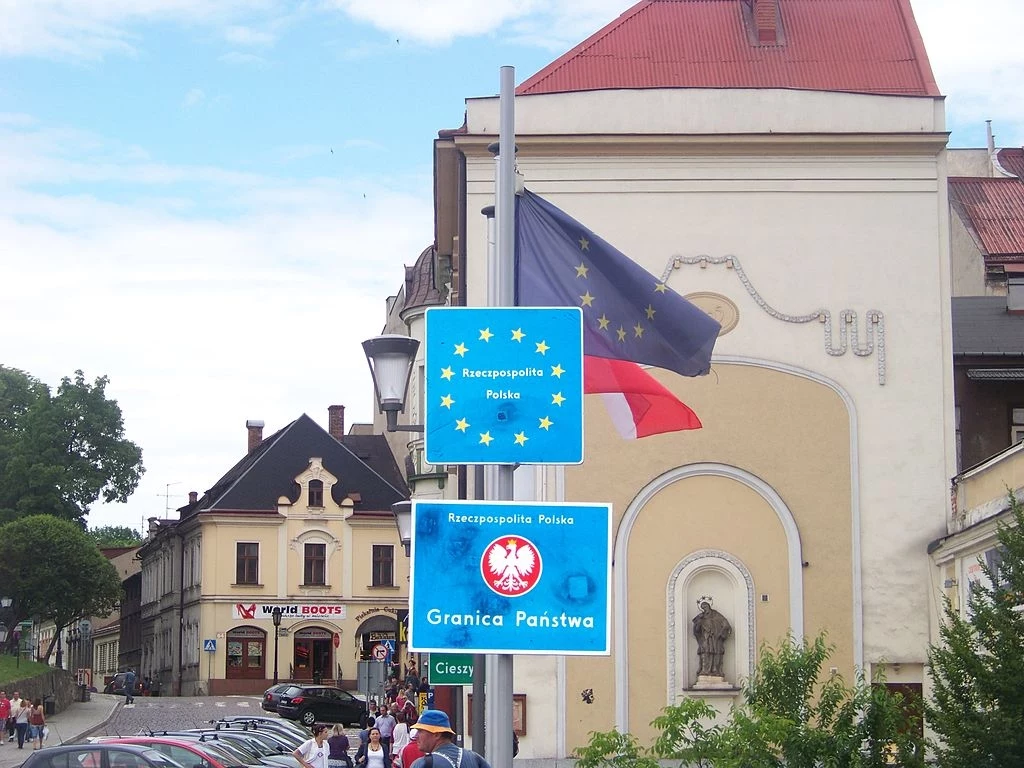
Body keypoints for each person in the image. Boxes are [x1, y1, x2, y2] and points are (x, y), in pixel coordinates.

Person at [408, 709, 490, 768]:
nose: (416, 736)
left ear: (437, 734)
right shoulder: (474, 758)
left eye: (420, 731)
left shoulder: (423, 764)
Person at [692, 600, 732, 678]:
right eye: (703, 607)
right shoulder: (701, 617)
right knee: (705, 652)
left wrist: (722, 631)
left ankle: (716, 670)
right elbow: (697, 630)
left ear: (709, 606)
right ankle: (705, 670)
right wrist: (699, 623)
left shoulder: (716, 615)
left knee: (717, 652)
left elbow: (725, 623)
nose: (705, 608)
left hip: (716, 638)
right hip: (705, 637)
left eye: (706, 606)